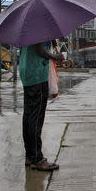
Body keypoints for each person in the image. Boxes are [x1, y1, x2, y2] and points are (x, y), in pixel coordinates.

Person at [19, 42, 63, 171]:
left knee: (28, 116)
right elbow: (40, 50)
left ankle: (30, 156)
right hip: (37, 75)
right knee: (36, 118)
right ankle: (38, 159)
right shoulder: (38, 25)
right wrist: (55, 56)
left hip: (27, 73)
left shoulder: (26, 27)